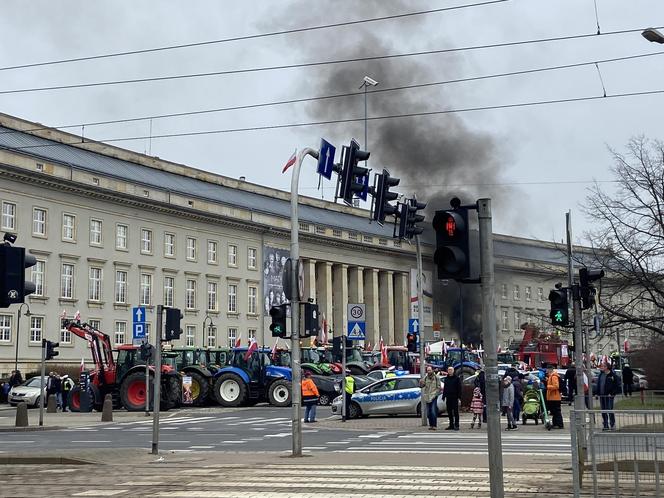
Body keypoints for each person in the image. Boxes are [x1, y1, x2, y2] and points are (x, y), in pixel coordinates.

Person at [597, 361, 621, 431]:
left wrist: (612, 393)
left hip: (609, 396)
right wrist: (597, 393)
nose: (602, 367)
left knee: (609, 409)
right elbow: (599, 384)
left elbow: (617, 385)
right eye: (602, 366)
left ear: (607, 367)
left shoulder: (612, 375)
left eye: (603, 366)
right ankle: (605, 425)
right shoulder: (601, 375)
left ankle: (612, 424)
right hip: (602, 396)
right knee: (603, 410)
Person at [420, 366, 441, 431]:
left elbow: (439, 387)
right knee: (428, 413)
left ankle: (434, 425)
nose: (428, 371)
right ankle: (431, 425)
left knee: (433, 411)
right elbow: (422, 386)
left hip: (433, 396)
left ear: (432, 370)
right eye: (428, 370)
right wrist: (421, 383)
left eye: (429, 370)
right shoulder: (426, 378)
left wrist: (435, 394)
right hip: (427, 397)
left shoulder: (436, 377)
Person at [442, 367, 461, 431]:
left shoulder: (457, 378)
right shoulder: (446, 378)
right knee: (449, 412)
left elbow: (459, 388)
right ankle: (451, 425)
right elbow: (445, 388)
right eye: (449, 370)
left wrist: (459, 397)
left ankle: (457, 425)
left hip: (455, 397)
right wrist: (444, 396)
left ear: (453, 371)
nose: (449, 371)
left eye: (451, 370)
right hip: (448, 397)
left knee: (455, 412)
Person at [546, 365, 564, 429]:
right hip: (553, 397)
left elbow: (556, 386)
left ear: (550, 369)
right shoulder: (551, 376)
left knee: (556, 412)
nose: (546, 370)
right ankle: (556, 424)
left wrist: (548, 386)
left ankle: (559, 424)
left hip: (554, 397)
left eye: (547, 369)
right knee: (554, 412)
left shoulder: (554, 376)